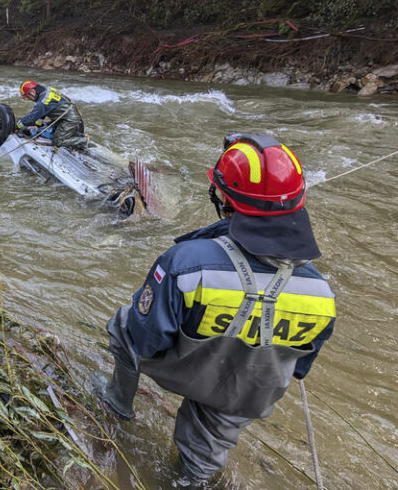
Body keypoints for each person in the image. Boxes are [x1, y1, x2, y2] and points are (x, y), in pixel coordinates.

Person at [99, 133, 336, 484]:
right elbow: (298, 367)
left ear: (225, 198)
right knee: (206, 453)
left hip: (189, 369)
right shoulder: (322, 292)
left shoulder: (185, 262)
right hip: (246, 392)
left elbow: (145, 338)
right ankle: (194, 477)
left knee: (123, 325)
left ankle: (116, 404)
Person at [17, 80, 88, 151]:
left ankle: (84, 141)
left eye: (27, 97)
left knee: (57, 141)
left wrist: (17, 125)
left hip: (69, 119)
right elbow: (42, 113)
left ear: (32, 92)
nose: (29, 99)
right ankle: (76, 137)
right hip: (66, 116)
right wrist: (38, 125)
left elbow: (32, 116)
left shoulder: (42, 101)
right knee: (50, 131)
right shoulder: (47, 91)